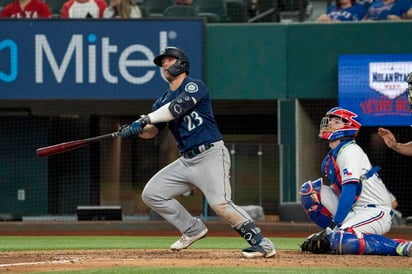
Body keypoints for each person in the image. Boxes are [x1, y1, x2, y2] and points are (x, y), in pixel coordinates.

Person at [118, 46, 276, 259]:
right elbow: (153, 131)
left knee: (220, 204)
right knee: (152, 193)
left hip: (210, 154)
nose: (164, 64)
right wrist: (137, 130)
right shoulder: (161, 100)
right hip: (186, 161)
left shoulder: (194, 86)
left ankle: (262, 244)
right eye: (162, 62)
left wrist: (146, 118)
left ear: (181, 63)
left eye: (169, 60)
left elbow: (175, 109)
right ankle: (192, 228)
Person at [299, 107, 411, 256]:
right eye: (331, 120)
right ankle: (333, 238)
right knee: (310, 191)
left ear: (347, 128)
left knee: (341, 239)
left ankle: (400, 246)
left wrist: (334, 225)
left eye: (336, 122)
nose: (330, 123)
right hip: (354, 209)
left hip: (374, 210)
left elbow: (349, 191)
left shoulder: (350, 151)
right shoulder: (334, 154)